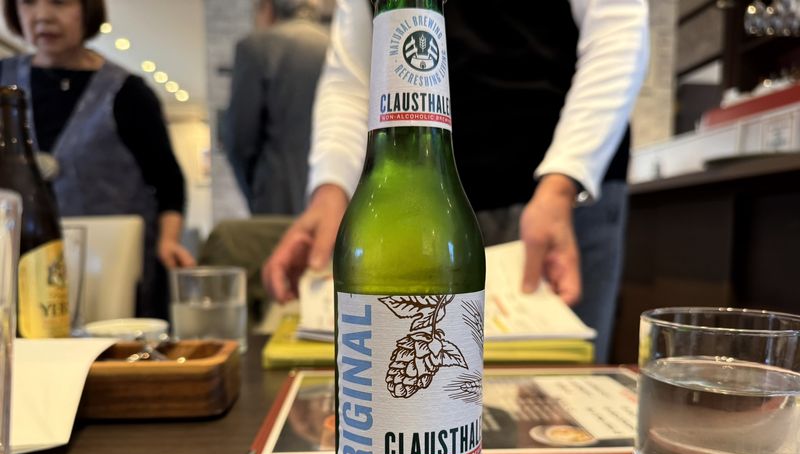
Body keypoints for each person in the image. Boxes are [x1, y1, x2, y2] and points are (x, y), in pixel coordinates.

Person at [263, 0, 649, 362]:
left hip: (560, 192)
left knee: (557, 389)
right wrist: (330, 189)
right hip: (428, 191)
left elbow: (616, 32)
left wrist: (563, 182)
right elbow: (353, 73)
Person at [0, 0, 195, 319]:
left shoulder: (128, 92)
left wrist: (168, 241)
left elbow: (168, 182)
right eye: (29, 2)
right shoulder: (3, 82)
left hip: (110, 272)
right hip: (15, 268)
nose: (43, 15)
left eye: (60, 2)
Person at [224, 0, 330, 215]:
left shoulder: (254, 47)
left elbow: (240, 138)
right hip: (335, 198)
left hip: (276, 199)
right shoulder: (340, 48)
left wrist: (256, 192)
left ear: (267, 8)